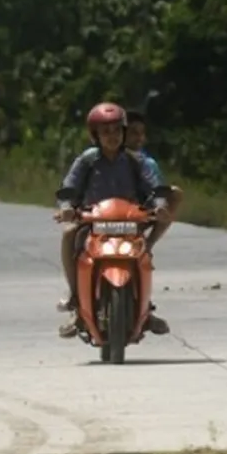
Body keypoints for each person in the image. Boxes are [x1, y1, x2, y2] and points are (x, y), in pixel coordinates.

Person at [53, 102, 171, 339]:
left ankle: (145, 310)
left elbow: (156, 186)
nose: (112, 137)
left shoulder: (136, 160)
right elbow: (68, 188)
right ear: (95, 135)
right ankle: (76, 301)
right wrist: (66, 208)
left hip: (130, 221)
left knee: (142, 256)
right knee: (68, 234)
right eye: (105, 132)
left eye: (117, 131)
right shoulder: (87, 160)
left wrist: (159, 207)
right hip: (92, 220)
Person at [124, 109, 183, 251]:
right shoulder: (97, 157)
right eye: (133, 133)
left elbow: (157, 186)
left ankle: (149, 245)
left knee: (175, 193)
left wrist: (160, 205)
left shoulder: (146, 162)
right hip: (106, 213)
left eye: (141, 133)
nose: (139, 138)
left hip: (137, 211)